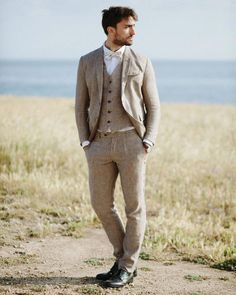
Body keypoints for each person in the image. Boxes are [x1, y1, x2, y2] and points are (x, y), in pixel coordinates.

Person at [75, 6, 160, 288]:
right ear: (111, 30)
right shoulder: (86, 61)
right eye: (128, 27)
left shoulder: (142, 60)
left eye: (134, 26)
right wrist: (85, 140)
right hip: (98, 144)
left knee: (135, 207)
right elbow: (80, 105)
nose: (134, 32)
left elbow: (154, 105)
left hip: (131, 143)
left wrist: (148, 139)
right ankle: (123, 260)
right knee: (101, 204)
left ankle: (126, 266)